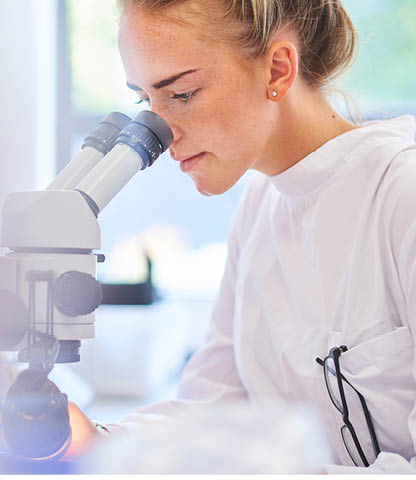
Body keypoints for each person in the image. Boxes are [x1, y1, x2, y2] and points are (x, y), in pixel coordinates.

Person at [65, 0, 416, 473]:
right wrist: (98, 441)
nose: (162, 133)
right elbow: (215, 411)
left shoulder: (400, 193)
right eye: (145, 100)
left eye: (182, 93)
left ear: (277, 70)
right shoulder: (259, 209)